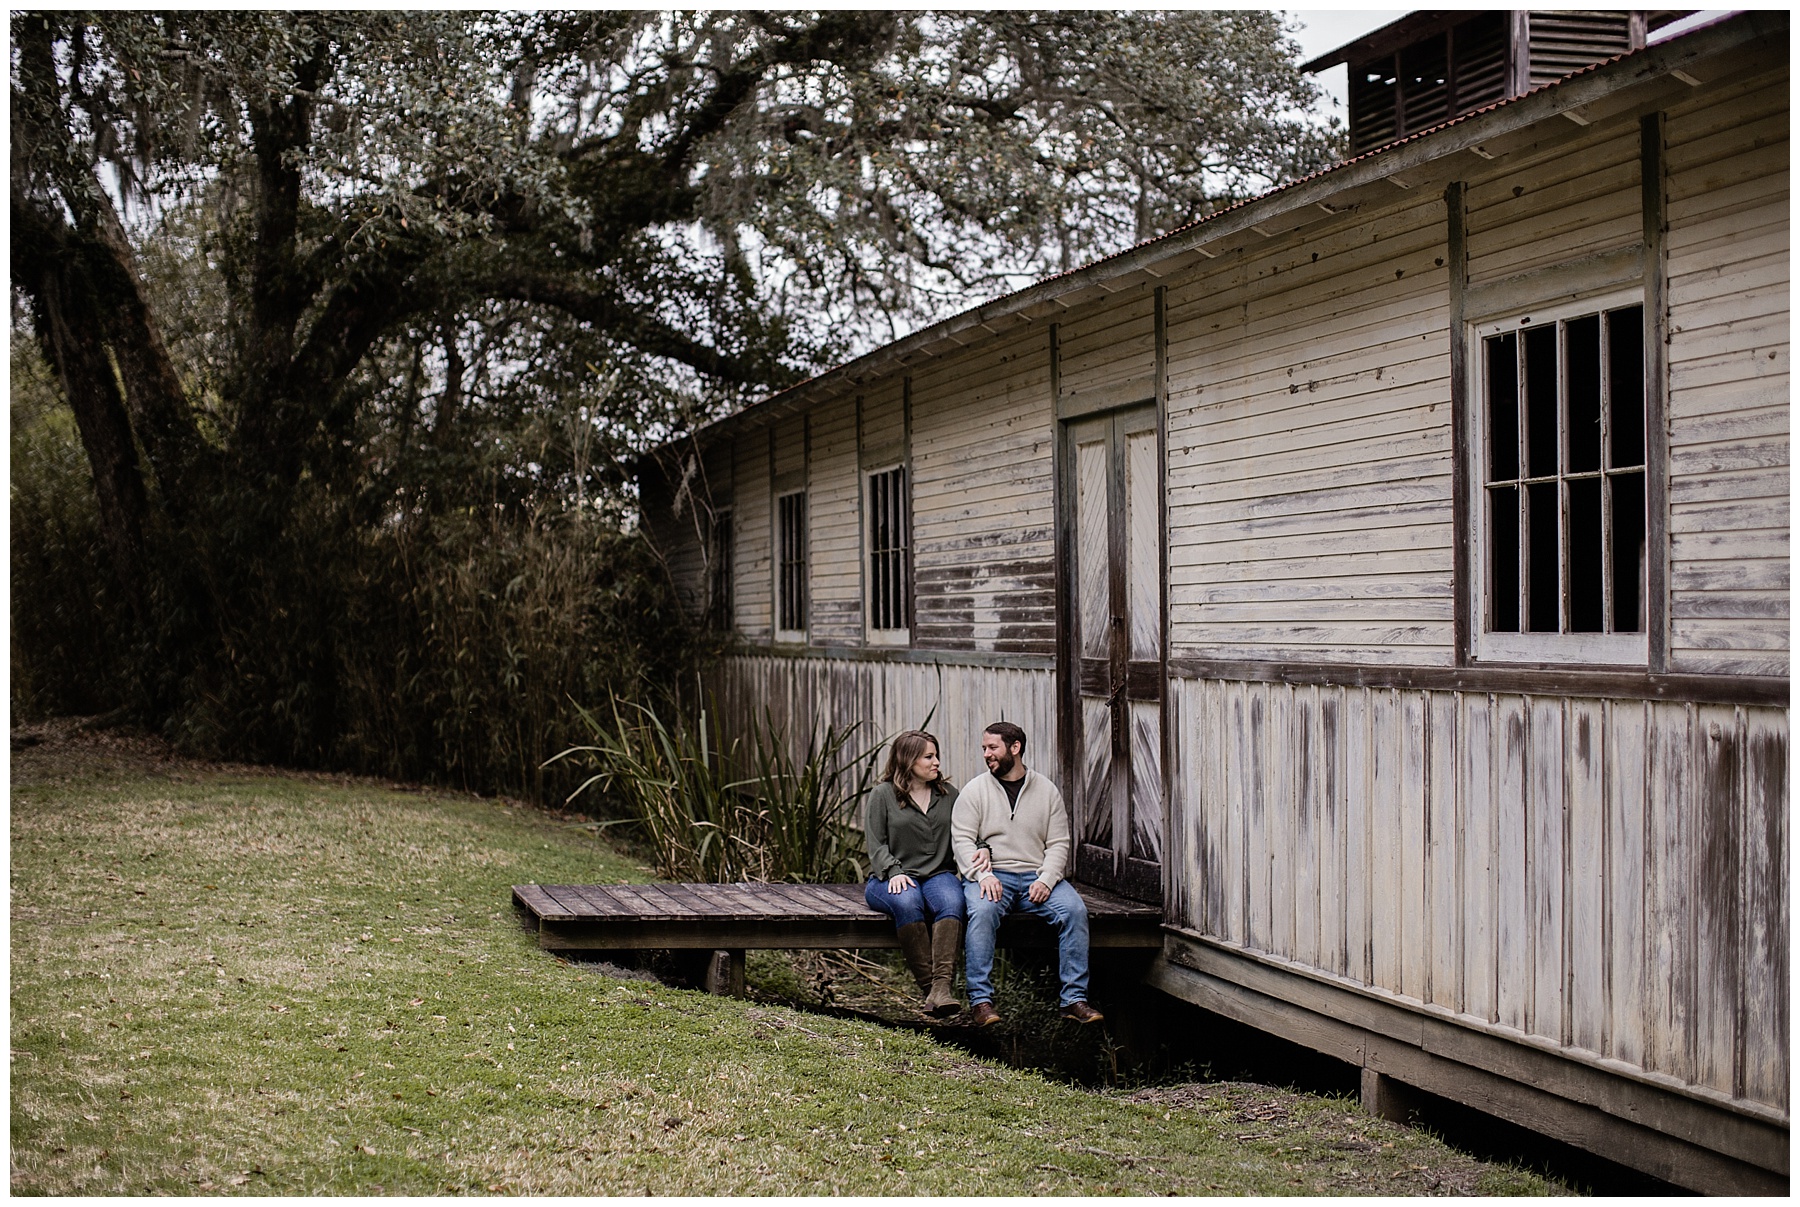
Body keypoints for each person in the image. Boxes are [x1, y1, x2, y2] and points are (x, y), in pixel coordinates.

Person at [951, 721, 1103, 1026]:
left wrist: (1046, 879)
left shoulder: (1046, 791)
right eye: (984, 748)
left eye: (992, 747)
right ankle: (981, 1002)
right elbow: (962, 841)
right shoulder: (974, 791)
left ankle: (1074, 1000)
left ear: (1015, 748)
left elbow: (1059, 843)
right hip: (994, 876)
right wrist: (984, 876)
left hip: (1037, 877)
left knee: (1074, 911)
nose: (987, 754)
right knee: (981, 911)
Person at [862, 729, 965, 1017]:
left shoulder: (949, 795)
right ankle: (929, 988)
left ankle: (941, 988)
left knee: (953, 902)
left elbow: (968, 833)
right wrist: (894, 871)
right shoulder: (882, 795)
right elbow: (876, 843)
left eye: (936, 756)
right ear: (908, 760)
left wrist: (981, 850)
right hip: (890, 877)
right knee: (908, 901)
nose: (936, 763)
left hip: (938, 874)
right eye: (928, 757)